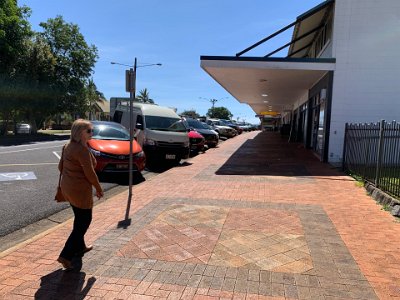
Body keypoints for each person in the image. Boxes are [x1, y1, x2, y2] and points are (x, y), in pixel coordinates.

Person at [57, 119, 104, 270]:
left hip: (67, 188)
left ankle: (80, 247)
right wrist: (98, 188)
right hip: (79, 190)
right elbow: (90, 173)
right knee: (84, 221)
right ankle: (66, 255)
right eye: (89, 131)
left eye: (92, 130)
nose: (92, 133)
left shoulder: (68, 146)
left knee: (79, 217)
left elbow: (60, 166)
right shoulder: (81, 150)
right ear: (79, 133)